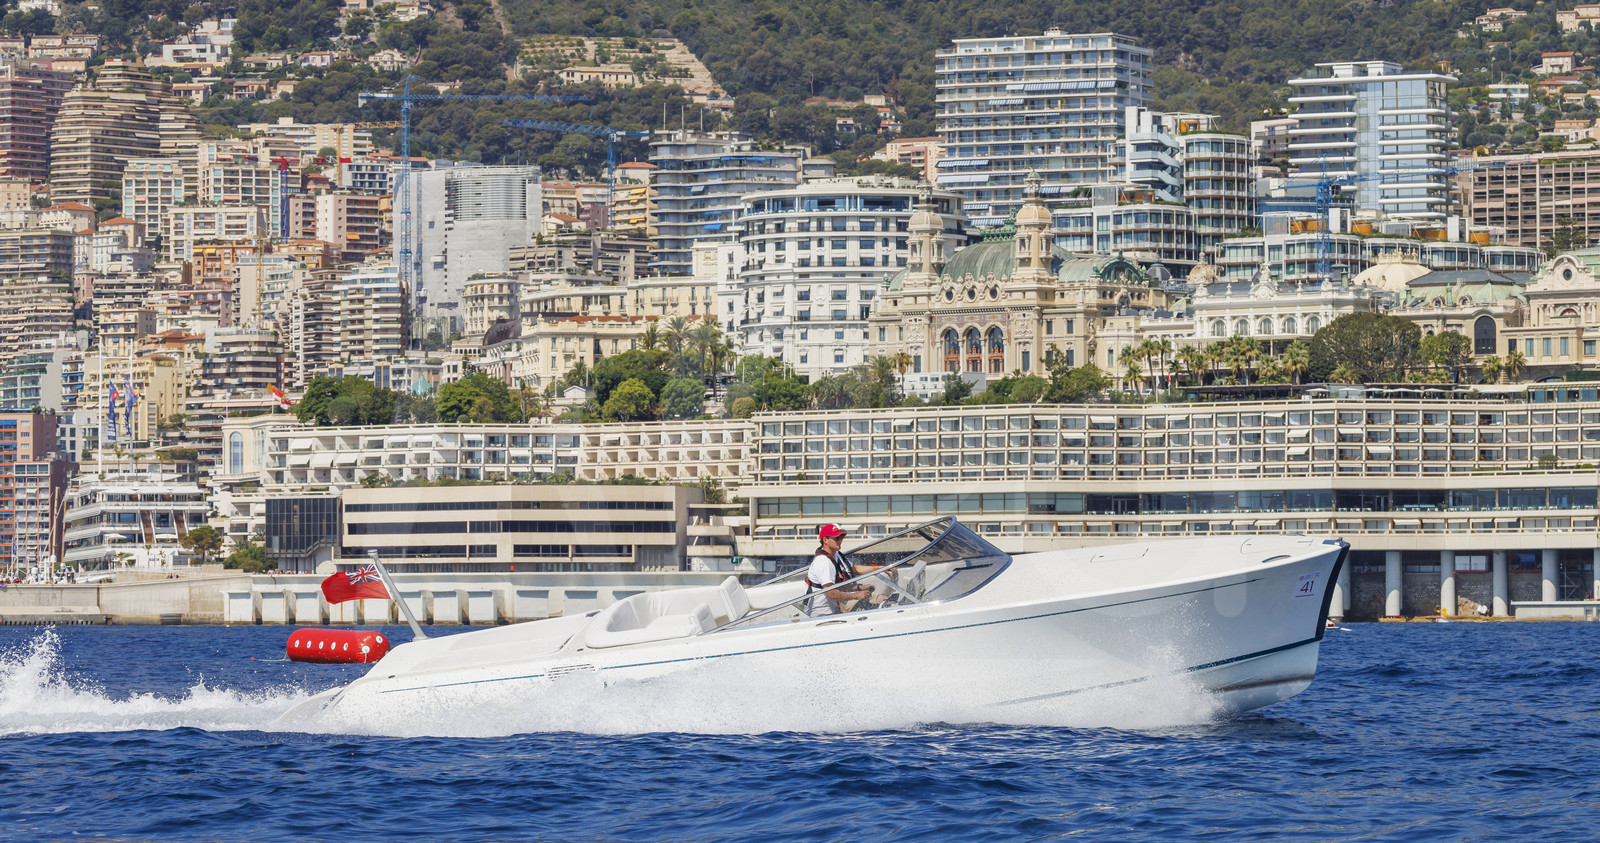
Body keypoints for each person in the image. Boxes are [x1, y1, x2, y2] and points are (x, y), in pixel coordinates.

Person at [805, 524, 879, 616]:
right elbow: (831, 593)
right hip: (821, 613)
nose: (840, 541)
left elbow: (854, 569)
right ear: (825, 540)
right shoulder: (824, 562)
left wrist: (879, 568)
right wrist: (856, 595)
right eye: (837, 538)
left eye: (841, 538)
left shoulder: (835, 556)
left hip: (833, 609)